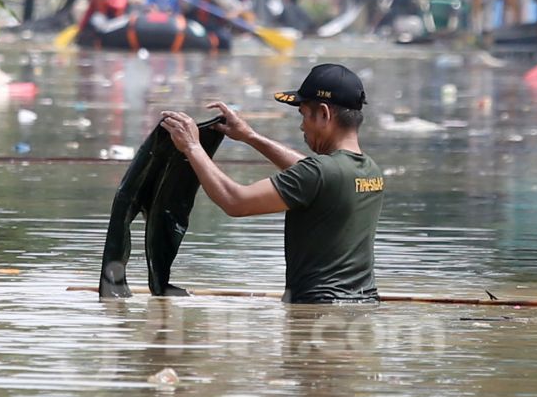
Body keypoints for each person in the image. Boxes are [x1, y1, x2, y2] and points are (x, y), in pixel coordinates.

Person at [160, 64, 384, 304]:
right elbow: (312, 172)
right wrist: (250, 137)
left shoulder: (320, 174)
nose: (301, 126)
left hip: (316, 312)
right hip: (363, 306)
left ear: (323, 114)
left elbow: (235, 201)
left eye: (304, 114)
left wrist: (192, 146)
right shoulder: (370, 171)